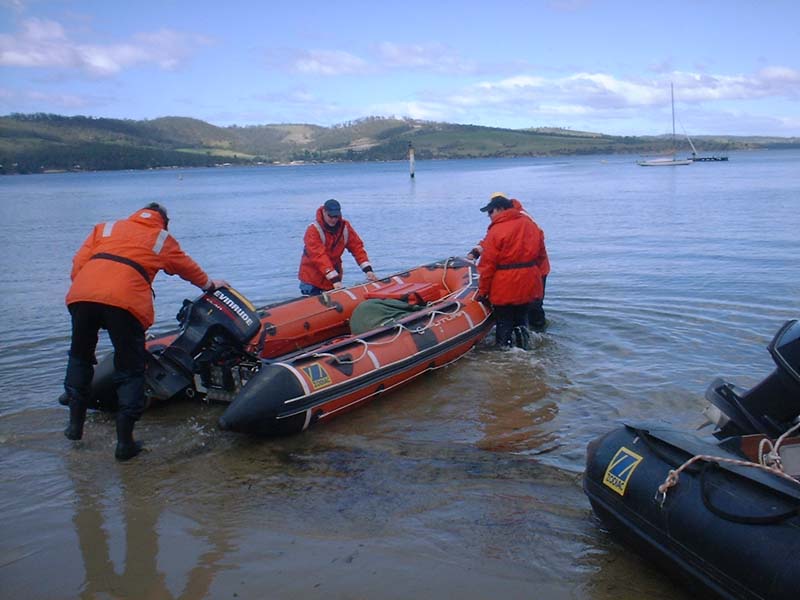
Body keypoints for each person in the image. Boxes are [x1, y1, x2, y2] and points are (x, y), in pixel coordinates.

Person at [62, 202, 228, 461]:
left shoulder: (106, 228)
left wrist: (90, 292)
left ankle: (74, 426)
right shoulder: (160, 238)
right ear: (164, 221)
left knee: (80, 356)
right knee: (130, 370)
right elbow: (185, 266)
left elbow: (79, 262)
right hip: (125, 301)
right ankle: (125, 443)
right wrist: (208, 285)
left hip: (82, 294)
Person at [468, 192, 549, 330]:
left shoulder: (500, 227)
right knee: (524, 317)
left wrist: (482, 292)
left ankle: (505, 349)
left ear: (501, 208)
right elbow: (539, 248)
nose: (489, 216)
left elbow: (489, 262)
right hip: (531, 276)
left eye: (491, 211)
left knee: (505, 321)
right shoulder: (527, 222)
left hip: (510, 281)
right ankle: (536, 339)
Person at [298, 198, 378, 295]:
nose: (333, 219)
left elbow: (357, 248)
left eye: (336, 216)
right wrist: (334, 279)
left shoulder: (345, 228)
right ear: (324, 212)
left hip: (332, 279)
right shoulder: (313, 230)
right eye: (330, 216)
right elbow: (319, 256)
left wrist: (368, 270)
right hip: (311, 279)